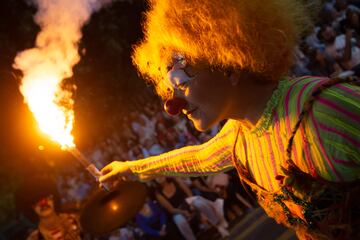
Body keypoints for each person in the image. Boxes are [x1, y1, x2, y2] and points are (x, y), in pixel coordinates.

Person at [100, 0, 360, 239]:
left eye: (180, 82)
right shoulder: (240, 138)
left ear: (229, 64)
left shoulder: (322, 112)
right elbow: (199, 158)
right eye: (169, 88)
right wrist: (132, 168)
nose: (173, 104)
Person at [15, 176, 82, 240]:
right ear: (30, 207)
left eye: (46, 197)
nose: (43, 203)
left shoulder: (77, 220)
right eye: (36, 201)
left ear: (54, 197)